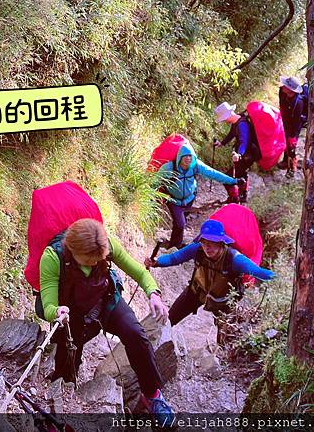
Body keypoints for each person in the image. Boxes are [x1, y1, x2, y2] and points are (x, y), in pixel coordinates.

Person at [39, 218, 175, 421]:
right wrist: (56, 312)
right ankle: (64, 411)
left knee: (135, 334)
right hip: (71, 314)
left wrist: (153, 293)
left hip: (106, 300)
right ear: (74, 250)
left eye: (98, 259)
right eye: (90, 260)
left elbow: (137, 271)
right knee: (66, 367)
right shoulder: (52, 257)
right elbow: (48, 303)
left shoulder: (106, 244)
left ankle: (152, 395)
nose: (95, 263)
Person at [145, 220, 274, 342]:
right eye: (204, 242)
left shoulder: (234, 259)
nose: (207, 247)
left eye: (212, 242)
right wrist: (157, 262)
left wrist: (280, 278)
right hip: (196, 292)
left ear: (221, 242)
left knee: (225, 338)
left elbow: (259, 272)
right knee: (169, 319)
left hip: (223, 301)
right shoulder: (198, 249)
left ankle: (220, 360)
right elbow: (175, 258)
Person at [157, 141, 240, 250]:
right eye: (185, 156)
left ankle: (175, 241)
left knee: (181, 222)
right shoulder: (168, 168)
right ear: (179, 157)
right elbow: (155, 181)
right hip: (173, 200)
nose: (188, 159)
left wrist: (233, 181)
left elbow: (213, 173)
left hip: (190, 198)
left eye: (190, 156)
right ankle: (174, 248)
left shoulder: (195, 165)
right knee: (180, 223)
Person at [213, 102, 262, 204]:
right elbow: (231, 134)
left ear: (228, 115)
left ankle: (235, 199)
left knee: (227, 177)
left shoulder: (242, 125)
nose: (224, 121)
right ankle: (243, 196)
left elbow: (244, 141)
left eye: (224, 118)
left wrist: (239, 154)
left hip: (246, 155)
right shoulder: (237, 121)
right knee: (242, 173)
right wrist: (221, 143)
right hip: (246, 155)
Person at [278, 76, 307, 178]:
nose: (282, 86)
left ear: (291, 90)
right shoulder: (282, 92)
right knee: (285, 140)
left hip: (295, 123)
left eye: (285, 85)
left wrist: (293, 136)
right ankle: (286, 161)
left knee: (291, 145)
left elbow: (296, 121)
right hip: (285, 120)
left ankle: (292, 168)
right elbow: (281, 104)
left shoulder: (299, 102)